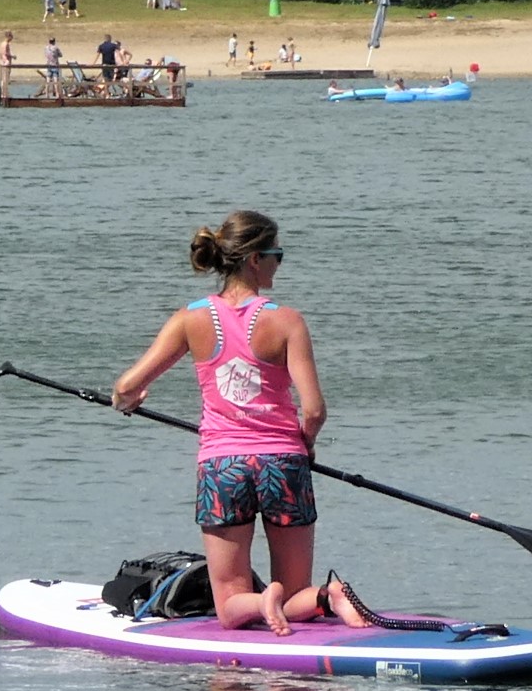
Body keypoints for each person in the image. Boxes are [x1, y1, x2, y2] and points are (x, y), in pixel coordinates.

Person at [113, 211, 371, 634]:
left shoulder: (189, 319)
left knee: (230, 605)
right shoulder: (287, 321)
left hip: (222, 467)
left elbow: (126, 387)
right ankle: (328, 596)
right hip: (282, 464)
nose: (279, 264)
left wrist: (130, 401)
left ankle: (259, 599)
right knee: (296, 593)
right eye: (277, 255)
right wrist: (304, 443)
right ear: (254, 259)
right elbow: (314, 411)